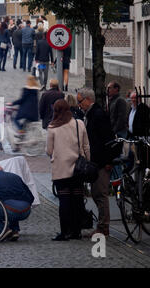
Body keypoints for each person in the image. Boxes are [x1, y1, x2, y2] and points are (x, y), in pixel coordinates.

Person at [46, 99, 90, 241]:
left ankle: (65, 232)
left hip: (61, 169)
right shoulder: (79, 124)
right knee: (77, 200)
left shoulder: (52, 127)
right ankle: (77, 231)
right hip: (78, 169)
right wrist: (87, 162)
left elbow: (49, 150)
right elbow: (86, 146)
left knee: (64, 201)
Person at [77, 88, 115, 236]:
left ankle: (103, 227)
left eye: (80, 101)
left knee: (100, 194)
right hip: (96, 162)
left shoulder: (98, 115)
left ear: (88, 99)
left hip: (101, 162)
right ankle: (102, 225)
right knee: (96, 193)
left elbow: (108, 140)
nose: (79, 105)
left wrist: (108, 161)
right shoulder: (90, 114)